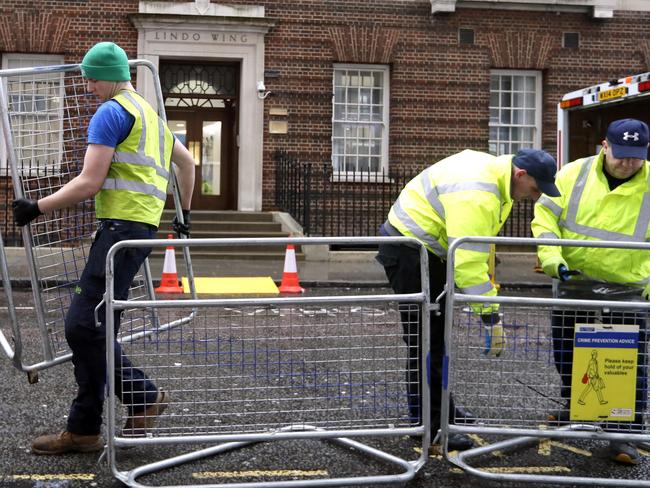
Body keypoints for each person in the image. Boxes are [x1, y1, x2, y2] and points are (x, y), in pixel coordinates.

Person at [12, 41, 196, 454]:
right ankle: (83, 429)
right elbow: (186, 165)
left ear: (111, 76)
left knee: (83, 326)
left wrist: (36, 208)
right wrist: (183, 215)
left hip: (119, 233)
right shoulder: (149, 115)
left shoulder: (112, 112)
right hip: (137, 232)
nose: (89, 85)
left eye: (92, 78)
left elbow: (89, 182)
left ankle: (142, 398)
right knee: (96, 328)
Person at [377, 148, 560, 451]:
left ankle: (441, 412)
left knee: (437, 341)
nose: (535, 195)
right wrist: (491, 318)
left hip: (424, 252)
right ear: (521, 174)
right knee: (428, 343)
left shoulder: (495, 177)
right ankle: (431, 428)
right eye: (535, 188)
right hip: (411, 253)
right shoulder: (479, 194)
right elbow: (468, 264)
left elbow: (471, 252)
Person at [532, 118, 650, 465]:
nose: (628, 163)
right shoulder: (573, 174)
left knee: (626, 363)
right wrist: (552, 260)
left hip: (629, 285)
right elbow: (545, 218)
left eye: (636, 156)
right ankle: (575, 406)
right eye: (621, 155)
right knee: (567, 352)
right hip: (573, 279)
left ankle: (624, 435)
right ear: (604, 146)